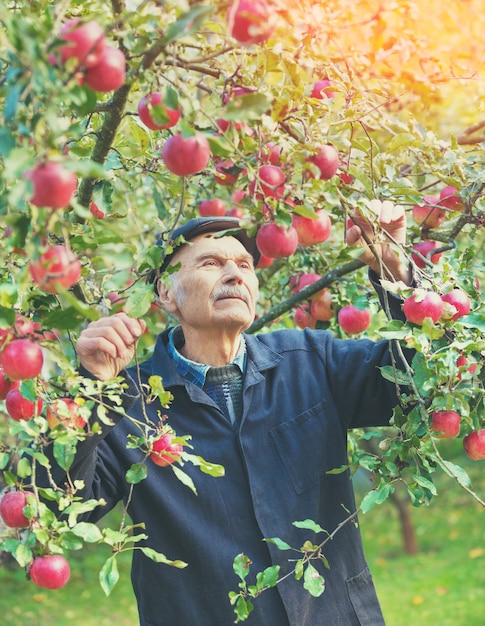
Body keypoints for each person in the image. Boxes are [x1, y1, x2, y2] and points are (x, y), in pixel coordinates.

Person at [54, 203, 412, 625]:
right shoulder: (126, 403)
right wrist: (89, 388)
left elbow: (418, 384)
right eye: (210, 262)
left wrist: (396, 274)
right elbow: (60, 510)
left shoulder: (311, 360)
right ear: (166, 293)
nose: (234, 273)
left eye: (244, 263)